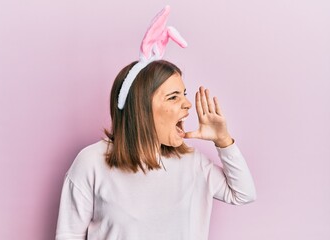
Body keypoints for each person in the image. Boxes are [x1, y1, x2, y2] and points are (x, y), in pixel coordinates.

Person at [55, 6, 256, 240]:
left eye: (184, 93)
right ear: (140, 107)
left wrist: (223, 141)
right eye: (173, 97)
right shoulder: (91, 163)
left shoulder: (192, 163)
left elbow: (243, 194)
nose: (188, 105)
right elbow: (68, 234)